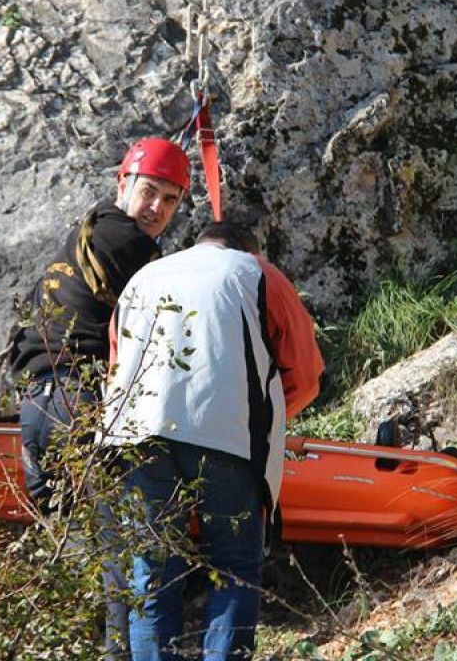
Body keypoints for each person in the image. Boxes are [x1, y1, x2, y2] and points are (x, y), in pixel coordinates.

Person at [101, 221, 324, 661]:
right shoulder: (255, 271)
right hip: (226, 439)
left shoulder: (143, 279)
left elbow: (114, 365)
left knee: (153, 573)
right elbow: (306, 373)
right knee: (234, 568)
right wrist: (268, 420)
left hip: (135, 437)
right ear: (247, 247)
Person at [7, 137, 190, 658]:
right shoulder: (132, 243)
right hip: (78, 402)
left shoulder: (84, 232)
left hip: (37, 407)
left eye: (170, 200)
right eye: (149, 192)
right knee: (121, 552)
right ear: (122, 185)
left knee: (82, 545)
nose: (156, 208)